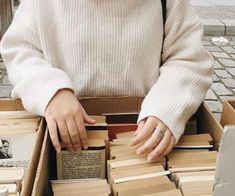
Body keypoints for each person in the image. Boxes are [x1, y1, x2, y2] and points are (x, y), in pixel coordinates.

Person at [0, 0, 213, 162]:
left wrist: (168, 106)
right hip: (68, 142)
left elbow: (189, 58)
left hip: (145, 140)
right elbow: (20, 49)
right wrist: (51, 91)